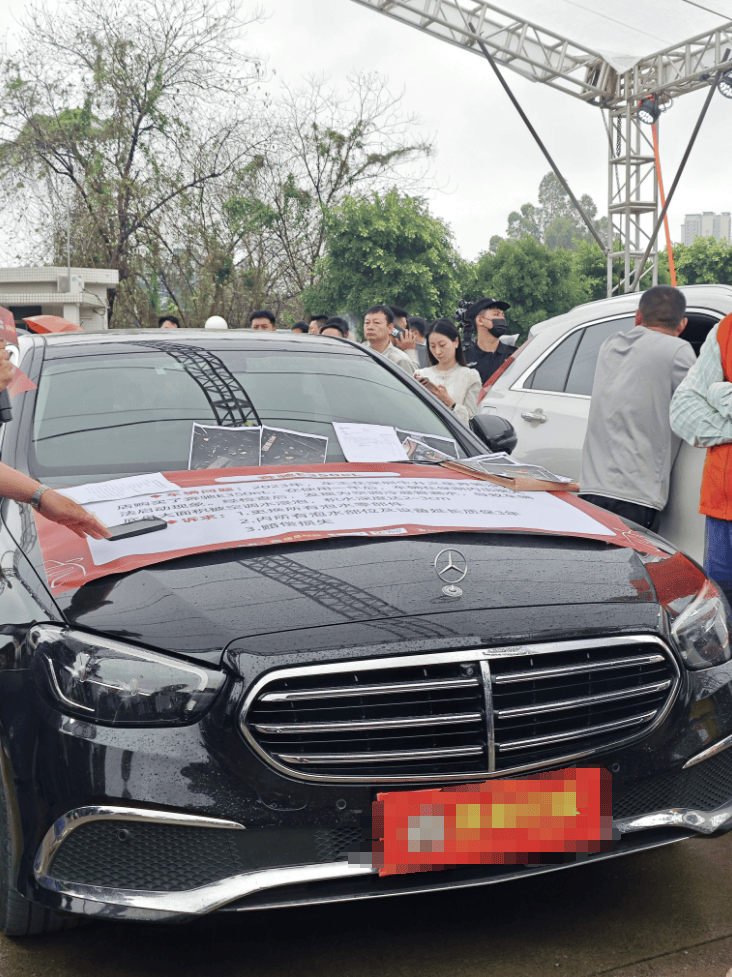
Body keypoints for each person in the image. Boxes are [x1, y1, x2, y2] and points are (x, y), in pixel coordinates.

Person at [580, 285, 695, 533]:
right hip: (635, 495)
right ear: (682, 324)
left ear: (638, 317)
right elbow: (699, 402)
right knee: (635, 558)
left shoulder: (609, 345)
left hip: (592, 488)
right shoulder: (677, 350)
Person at [671, 307, 732, 603]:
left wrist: (718, 393)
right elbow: (682, 411)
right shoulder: (727, 330)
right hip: (722, 511)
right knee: (720, 610)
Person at [414, 319, 481, 425]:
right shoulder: (421, 374)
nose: (437, 352)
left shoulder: (470, 376)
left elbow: (470, 421)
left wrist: (449, 402)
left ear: (456, 342)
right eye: (433, 346)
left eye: (442, 345)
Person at [462, 297, 513, 384]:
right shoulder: (463, 359)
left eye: (503, 315)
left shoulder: (516, 355)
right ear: (480, 320)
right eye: (496, 315)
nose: (502, 319)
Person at [361, 305, 416, 376]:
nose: (370, 327)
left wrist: (409, 350)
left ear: (390, 328)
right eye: (367, 323)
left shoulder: (400, 360)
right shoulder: (356, 351)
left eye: (376, 323)